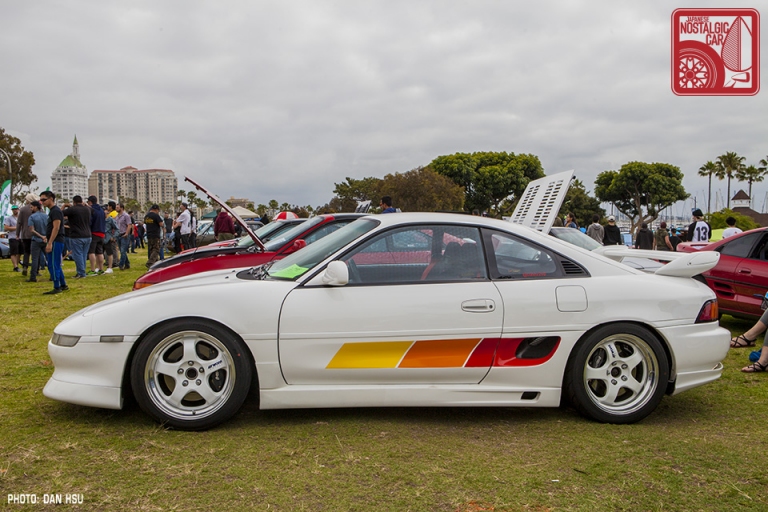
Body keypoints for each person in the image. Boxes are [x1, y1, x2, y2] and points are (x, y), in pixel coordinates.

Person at [40, 191, 68, 294]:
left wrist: (50, 242)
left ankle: (57, 286)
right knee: (56, 264)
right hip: (55, 240)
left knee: (52, 264)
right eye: (41, 200)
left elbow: (56, 228)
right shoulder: (52, 211)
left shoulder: (55, 211)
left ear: (51, 198)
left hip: (56, 241)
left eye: (44, 199)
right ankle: (63, 284)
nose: (42, 202)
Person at [62, 195, 92, 278]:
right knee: (83, 255)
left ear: (74, 202)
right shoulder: (87, 209)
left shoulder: (72, 209)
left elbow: (59, 213)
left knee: (77, 254)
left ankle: (81, 273)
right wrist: (86, 205)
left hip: (76, 235)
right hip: (88, 235)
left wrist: (64, 206)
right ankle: (82, 271)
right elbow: (93, 211)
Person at [26, 200, 48, 282]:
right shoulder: (46, 216)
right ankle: (53, 275)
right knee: (49, 258)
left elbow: (31, 230)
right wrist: (45, 237)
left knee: (35, 259)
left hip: (36, 240)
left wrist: (41, 236)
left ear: (36, 207)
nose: (30, 209)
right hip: (46, 240)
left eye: (31, 207)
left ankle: (33, 277)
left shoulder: (32, 217)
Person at [17, 193, 36, 276]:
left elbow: (19, 223)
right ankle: (36, 269)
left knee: (26, 252)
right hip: (35, 233)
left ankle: (25, 266)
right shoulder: (38, 208)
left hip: (25, 234)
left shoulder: (23, 209)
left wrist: (17, 234)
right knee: (35, 253)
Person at [86, 196, 106, 275]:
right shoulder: (101, 210)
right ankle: (101, 269)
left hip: (94, 232)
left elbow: (90, 221)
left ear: (90, 202)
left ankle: (93, 269)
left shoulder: (91, 210)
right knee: (100, 252)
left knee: (91, 252)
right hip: (102, 233)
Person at [115, 203, 133, 270]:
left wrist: (127, 233)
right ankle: (127, 264)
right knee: (122, 251)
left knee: (123, 251)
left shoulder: (126, 216)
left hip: (124, 235)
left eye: (117, 207)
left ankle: (121, 264)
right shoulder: (117, 216)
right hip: (118, 235)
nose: (116, 209)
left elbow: (129, 225)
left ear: (121, 208)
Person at [4, 205, 21, 271]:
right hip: (13, 237)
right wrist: (16, 228)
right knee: (13, 252)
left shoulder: (20, 218)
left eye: (16, 209)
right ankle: (15, 266)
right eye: (13, 209)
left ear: (18, 209)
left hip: (20, 237)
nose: (15, 210)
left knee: (20, 252)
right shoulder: (9, 218)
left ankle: (17, 265)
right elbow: (6, 228)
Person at [103, 207, 118, 274]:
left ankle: (110, 267)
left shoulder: (110, 219)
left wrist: (113, 236)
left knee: (109, 253)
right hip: (101, 237)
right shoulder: (100, 219)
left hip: (108, 238)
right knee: (99, 253)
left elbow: (117, 229)